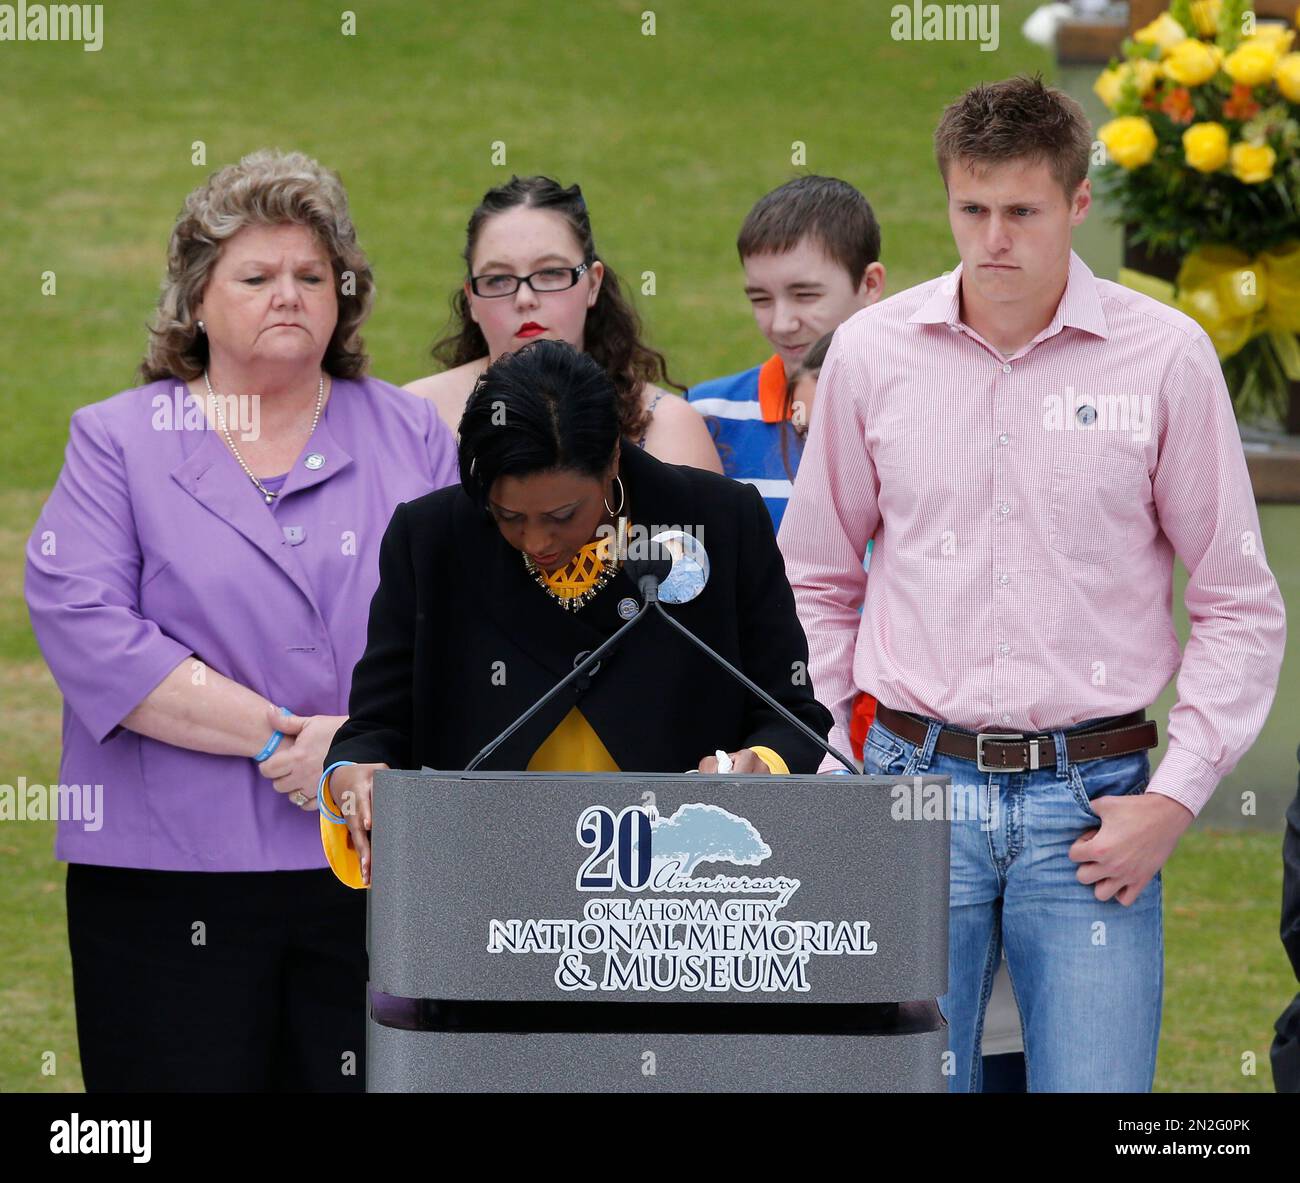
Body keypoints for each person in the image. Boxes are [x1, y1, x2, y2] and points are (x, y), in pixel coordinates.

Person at [779, 76, 1286, 1092]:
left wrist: (1176, 799)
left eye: (1023, 211)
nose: (994, 238)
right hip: (908, 790)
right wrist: (843, 752)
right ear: (946, 202)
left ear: (1078, 204)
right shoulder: (872, 357)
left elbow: (1238, 602)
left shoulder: (1165, 358)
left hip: (1094, 804)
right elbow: (816, 576)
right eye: (972, 210)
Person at [24, 149, 459, 1091]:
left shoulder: (413, 434)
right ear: (195, 299)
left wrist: (363, 740)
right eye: (256, 277)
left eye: (313, 275)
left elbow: (468, 624)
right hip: (164, 881)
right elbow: (87, 622)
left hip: (381, 864)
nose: (289, 295)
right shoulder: (117, 439)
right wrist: (284, 743)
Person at [320, 339, 832, 886]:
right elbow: (375, 727)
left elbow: (791, 713)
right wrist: (353, 776)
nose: (537, 540)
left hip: (678, 899)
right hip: (488, 893)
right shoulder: (429, 540)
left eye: (563, 515)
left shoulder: (721, 520)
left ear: (613, 458)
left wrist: (760, 762)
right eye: (508, 515)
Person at [405, 175, 721, 473]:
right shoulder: (416, 417)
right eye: (498, 279)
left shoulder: (664, 427)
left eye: (551, 273)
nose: (525, 297)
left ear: (593, 283)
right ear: (471, 297)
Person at [687, 176, 885, 529]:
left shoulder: (923, 412)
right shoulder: (703, 418)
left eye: (805, 295)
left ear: (869, 285)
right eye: (760, 299)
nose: (780, 324)